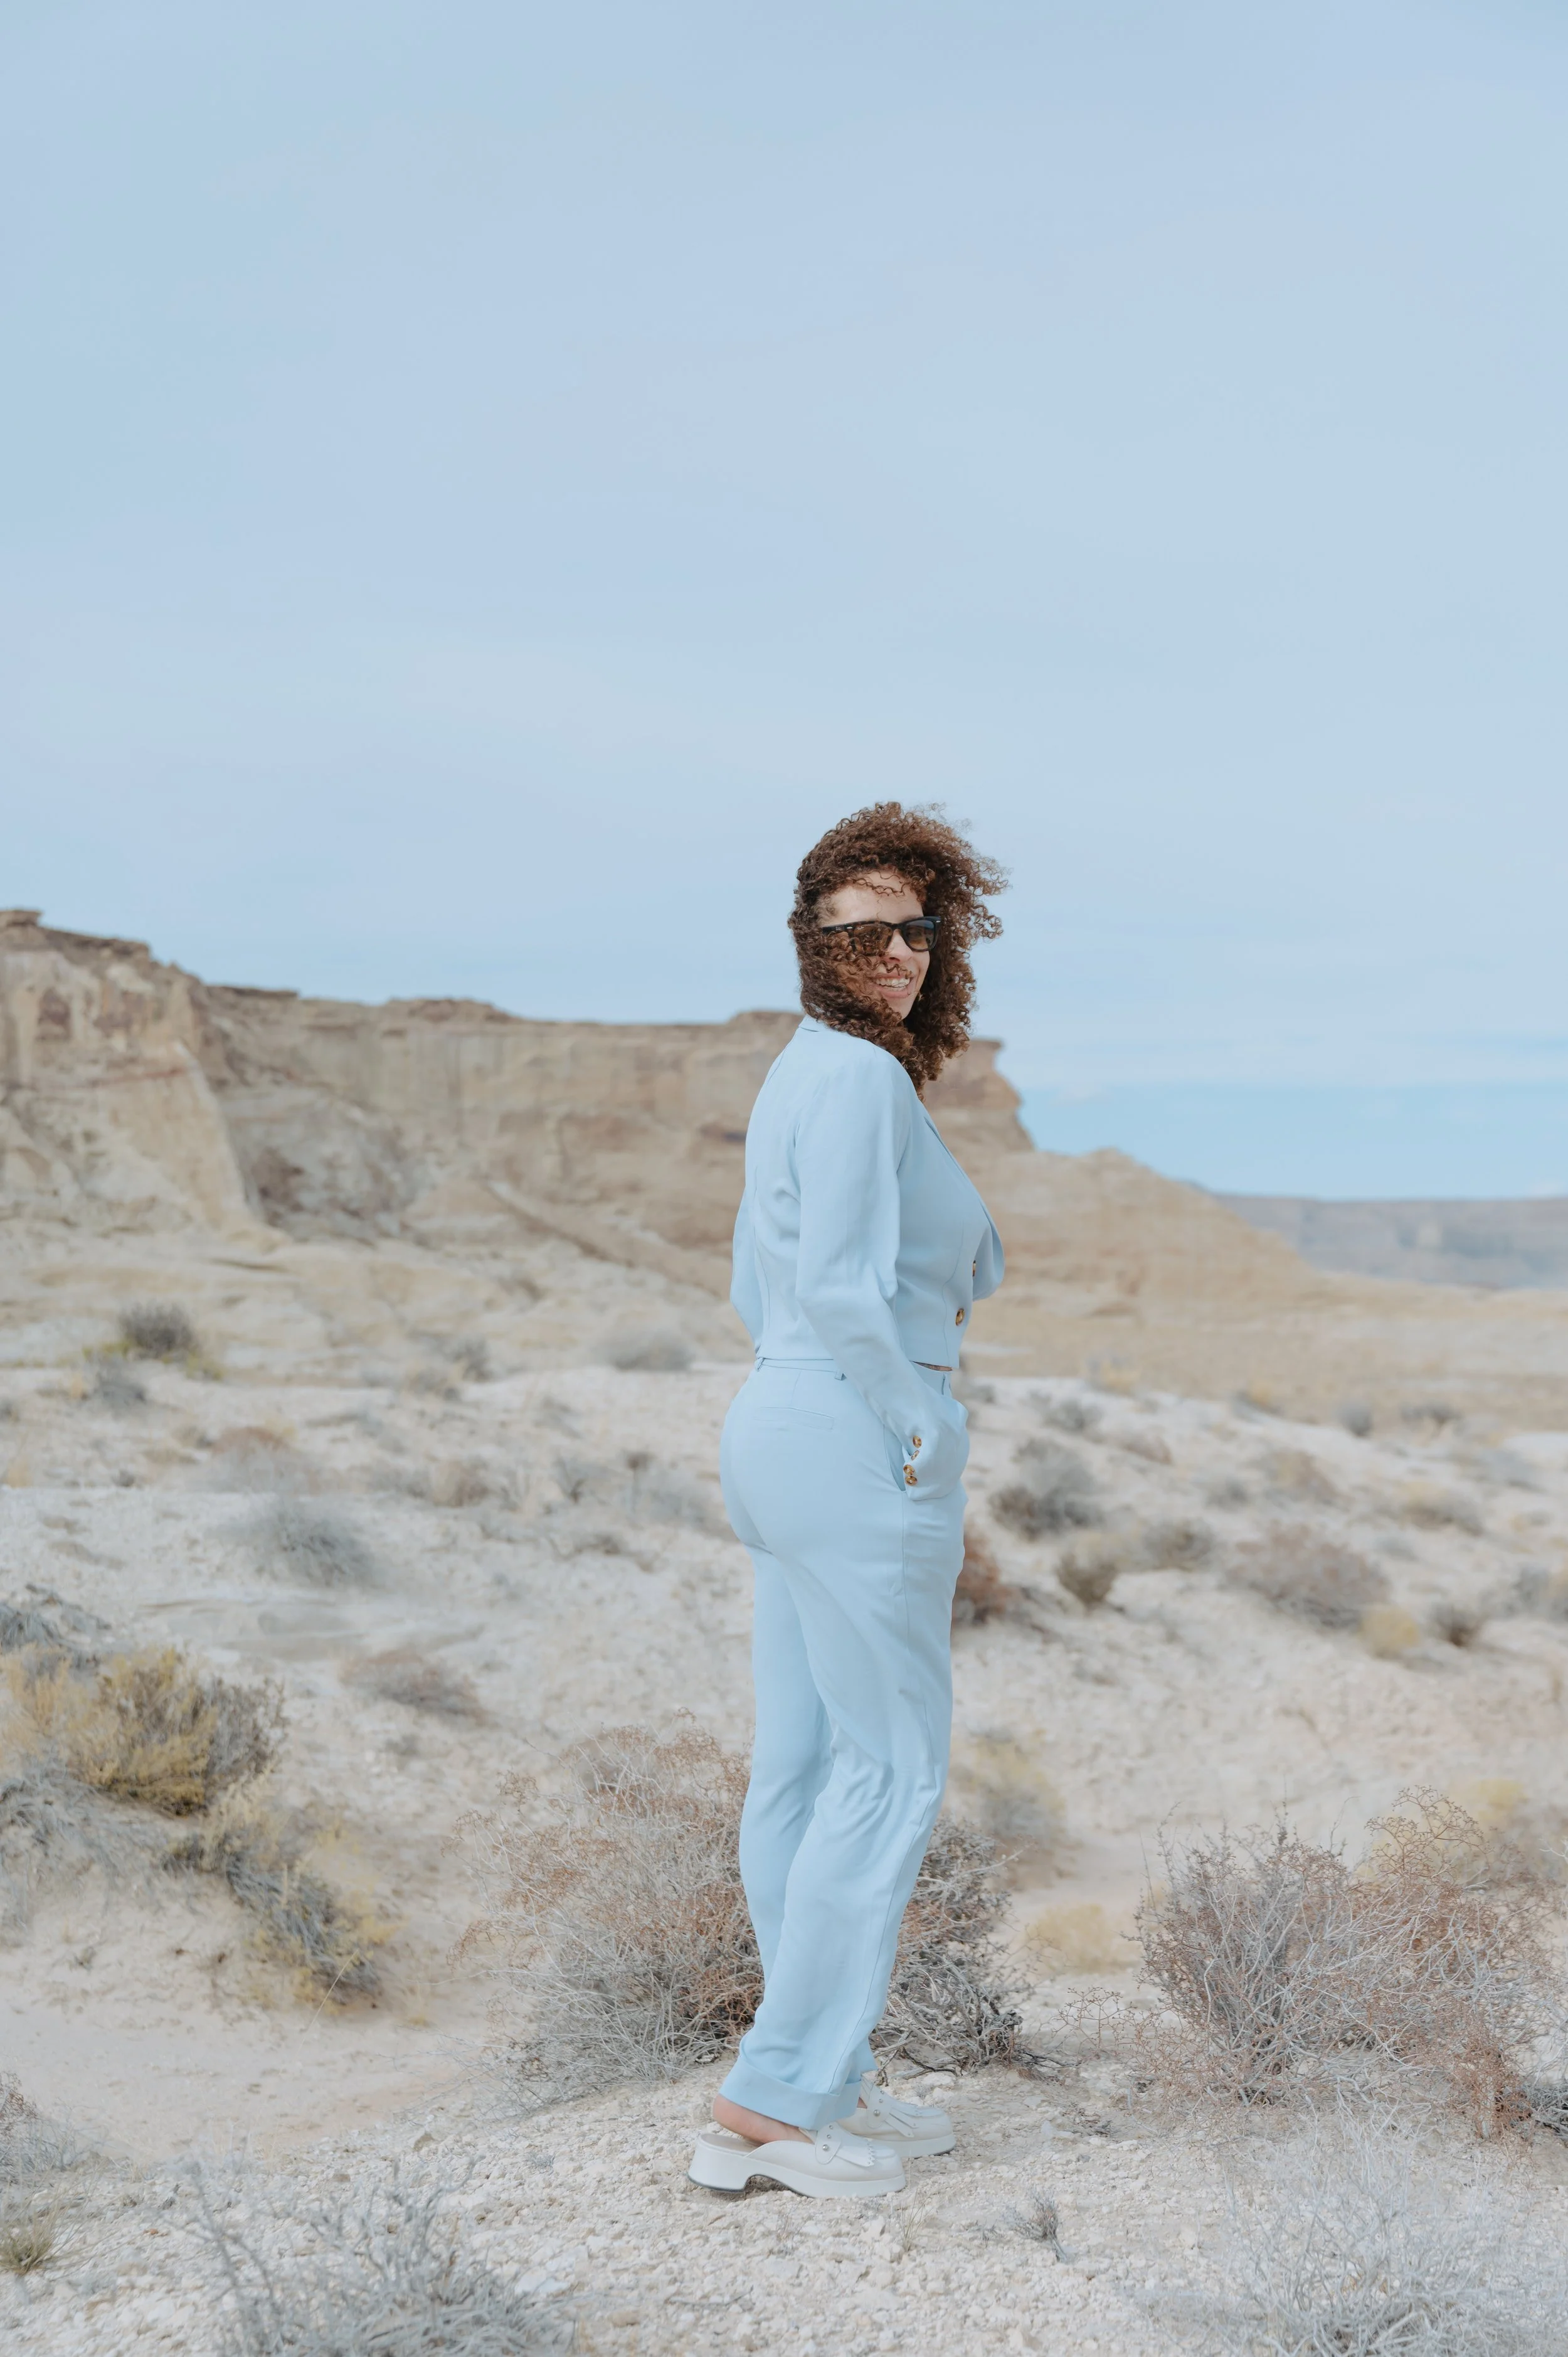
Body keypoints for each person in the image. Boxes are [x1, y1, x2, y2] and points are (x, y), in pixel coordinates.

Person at [689, 802, 1007, 2200]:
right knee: (891, 1771)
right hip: (851, 1425)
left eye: (918, 928)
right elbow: (830, 1282)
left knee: (806, 1768)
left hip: (777, 1420)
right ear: (812, 943)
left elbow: (753, 1285)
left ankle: (820, 2075)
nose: (897, 953)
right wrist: (917, 1420)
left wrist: (817, 1394)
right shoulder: (863, 1082)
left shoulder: (800, 1074)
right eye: (863, 931)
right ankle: (777, 2101)